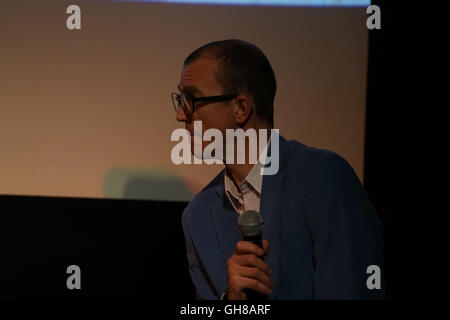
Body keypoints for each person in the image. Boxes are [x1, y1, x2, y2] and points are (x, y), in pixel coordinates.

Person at [174, 39, 384, 300]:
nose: (181, 115)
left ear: (241, 108)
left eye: (191, 99)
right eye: (180, 100)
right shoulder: (198, 216)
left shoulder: (323, 178)